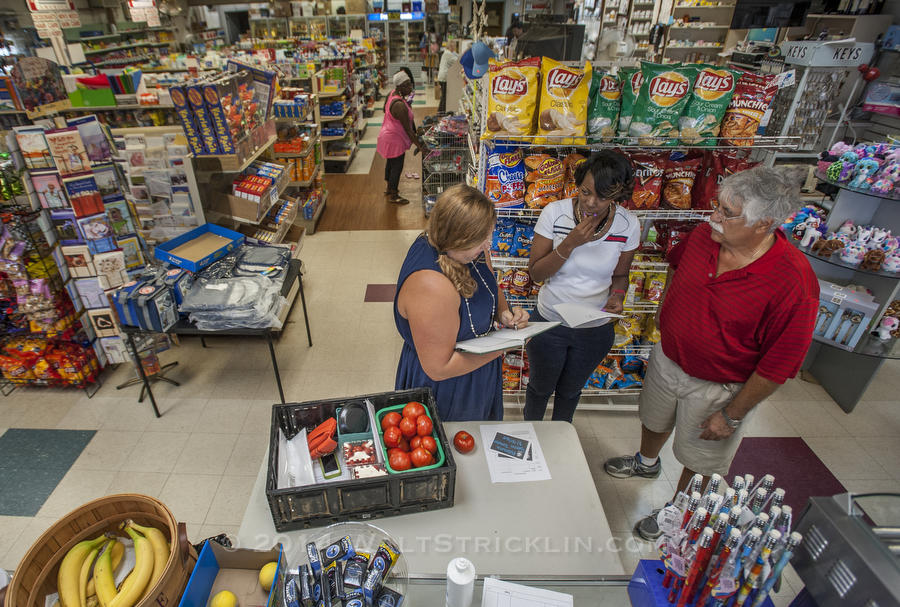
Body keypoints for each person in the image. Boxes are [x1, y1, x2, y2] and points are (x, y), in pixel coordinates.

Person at [603, 166, 819, 541]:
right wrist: (666, 310)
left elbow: (779, 365)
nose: (712, 217)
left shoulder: (794, 281)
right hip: (669, 358)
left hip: (719, 386)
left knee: (700, 458)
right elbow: (676, 265)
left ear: (764, 223)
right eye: (716, 206)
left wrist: (732, 416)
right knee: (653, 419)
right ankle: (646, 463)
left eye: (726, 212)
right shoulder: (706, 236)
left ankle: (679, 508)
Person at [394, 184, 530, 421]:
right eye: (483, 240)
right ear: (459, 238)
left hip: (478, 370)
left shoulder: (471, 250)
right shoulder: (432, 286)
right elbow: (439, 368)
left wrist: (504, 313)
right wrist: (506, 346)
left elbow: (489, 284)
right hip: (446, 388)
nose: (489, 244)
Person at [524, 151, 640, 423]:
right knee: (539, 390)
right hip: (549, 324)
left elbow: (621, 276)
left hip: (593, 329)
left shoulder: (628, 224)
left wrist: (618, 296)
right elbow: (537, 274)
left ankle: (561, 441)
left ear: (618, 195)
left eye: (602, 197)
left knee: (570, 392)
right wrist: (569, 244)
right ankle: (532, 443)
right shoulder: (555, 213)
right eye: (585, 191)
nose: (590, 202)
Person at [377, 71, 426, 206]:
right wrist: (421, 146)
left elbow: (384, 110)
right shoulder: (399, 105)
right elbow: (409, 131)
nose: (411, 87)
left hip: (387, 134)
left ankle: (389, 188)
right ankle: (394, 195)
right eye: (407, 85)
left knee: (391, 163)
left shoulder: (392, 94)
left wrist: (407, 103)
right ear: (400, 87)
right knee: (397, 166)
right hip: (394, 138)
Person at [437, 40, 459, 114]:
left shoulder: (447, 53)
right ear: (451, 46)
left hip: (443, 77)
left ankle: (441, 111)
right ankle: (442, 112)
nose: (455, 48)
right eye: (454, 46)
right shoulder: (448, 54)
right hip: (445, 77)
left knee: (444, 95)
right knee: (445, 96)